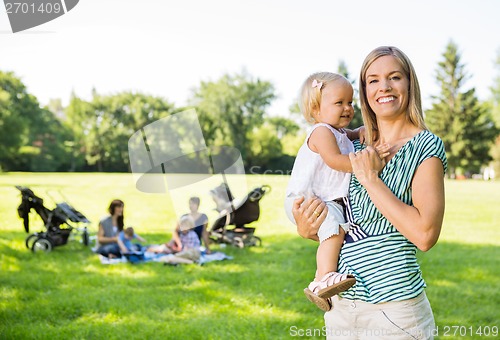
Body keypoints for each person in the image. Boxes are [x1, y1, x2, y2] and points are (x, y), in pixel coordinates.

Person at [292, 46, 447, 339]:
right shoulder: (350, 146)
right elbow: (344, 221)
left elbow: (425, 235)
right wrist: (307, 227)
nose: (384, 87)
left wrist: (370, 178)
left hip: (395, 309)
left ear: (409, 84)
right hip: (340, 307)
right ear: (364, 90)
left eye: (394, 77)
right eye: (373, 80)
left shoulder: (425, 147)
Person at [284, 72, 389, 311]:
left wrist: (361, 130)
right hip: (306, 201)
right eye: (339, 103)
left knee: (338, 231)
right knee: (333, 232)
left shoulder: (338, 132)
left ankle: (323, 279)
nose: (347, 108)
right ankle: (323, 278)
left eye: (350, 102)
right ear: (316, 109)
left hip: (322, 200)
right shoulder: (321, 132)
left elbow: (351, 136)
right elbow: (333, 160)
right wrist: (366, 162)